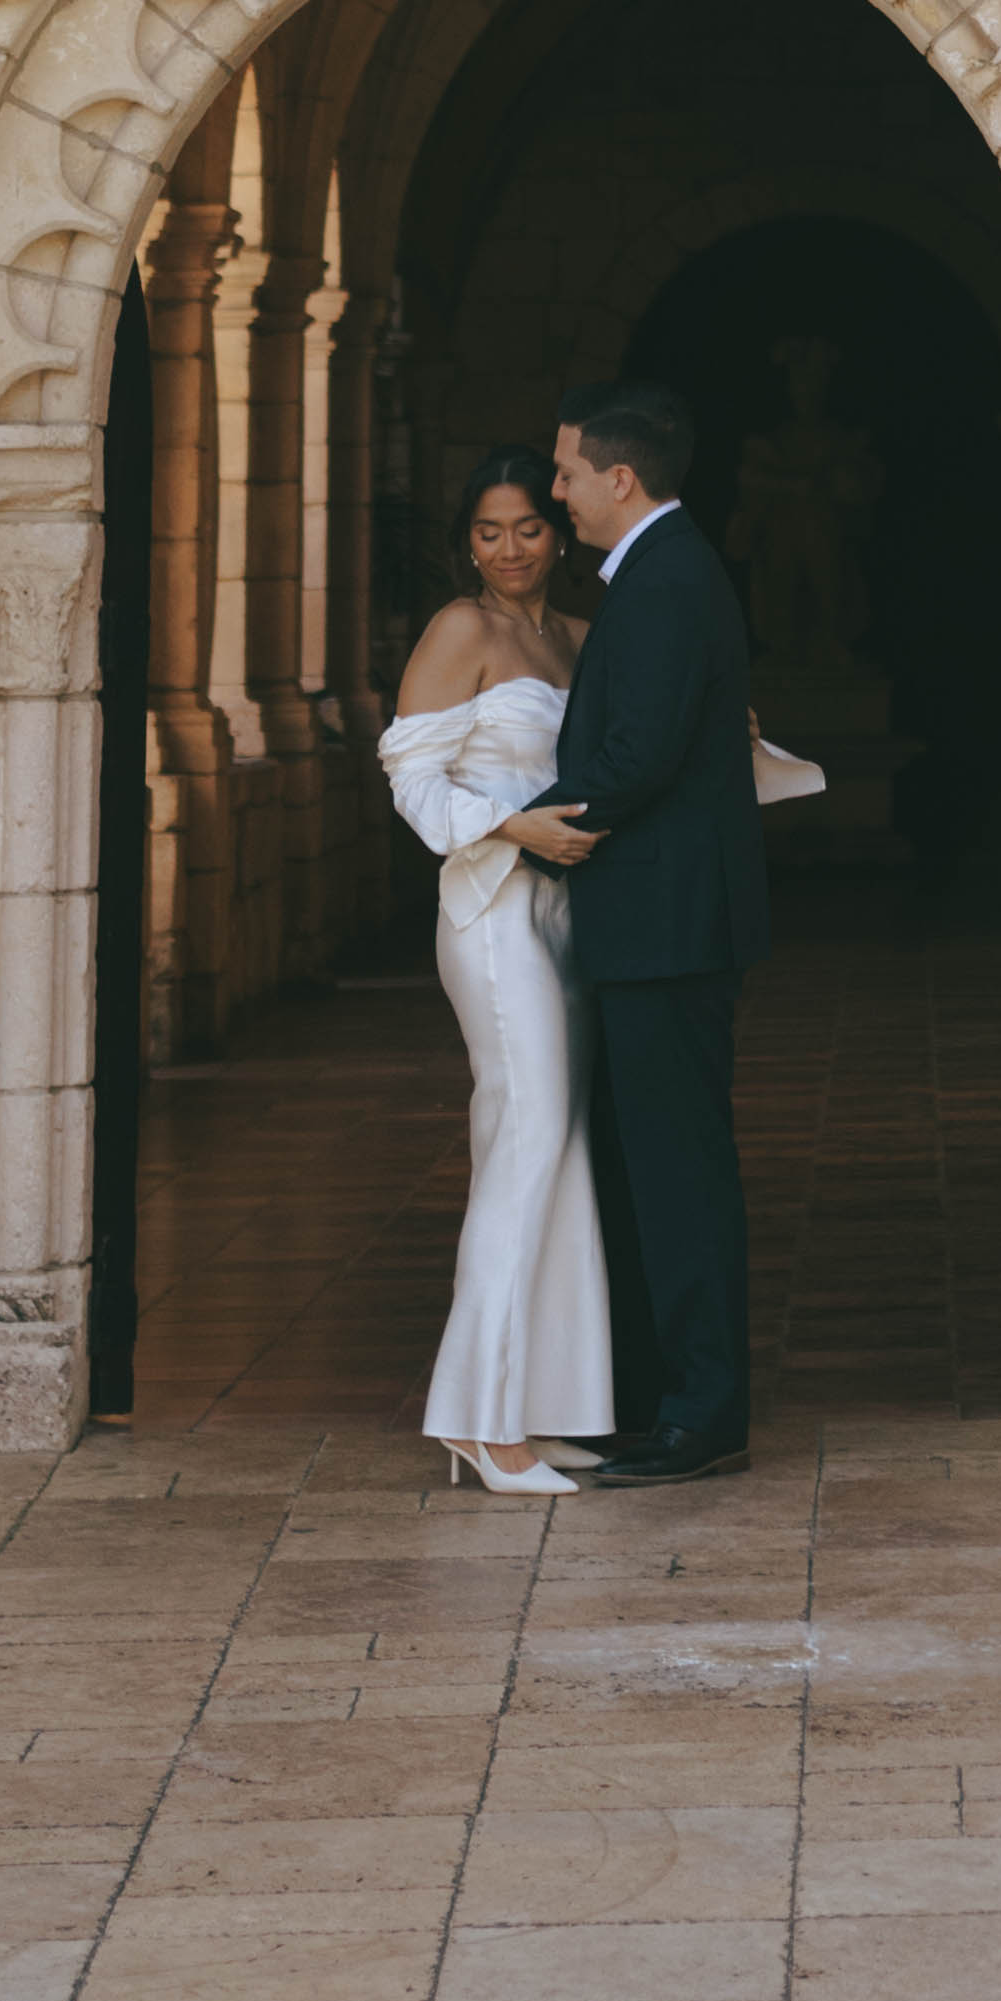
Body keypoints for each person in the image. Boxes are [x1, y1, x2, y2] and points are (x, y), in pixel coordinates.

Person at [504, 379, 767, 1477]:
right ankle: (661, 1390)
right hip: (657, 922)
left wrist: (519, 828)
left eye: (565, 474)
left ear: (620, 477)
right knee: (647, 1159)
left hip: (666, 924)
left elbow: (638, 755)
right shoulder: (660, 572)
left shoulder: (660, 583)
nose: (555, 492)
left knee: (676, 1169)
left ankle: (699, 1412)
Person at [373, 451, 610, 1492]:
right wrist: (511, 824)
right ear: (464, 540)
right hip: (490, 901)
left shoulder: (578, 636)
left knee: (558, 1141)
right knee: (525, 1136)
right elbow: (410, 774)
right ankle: (480, 1415)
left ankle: (543, 1404)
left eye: (526, 527)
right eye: (486, 530)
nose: (509, 548)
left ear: (559, 531)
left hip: (567, 913)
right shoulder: (459, 629)